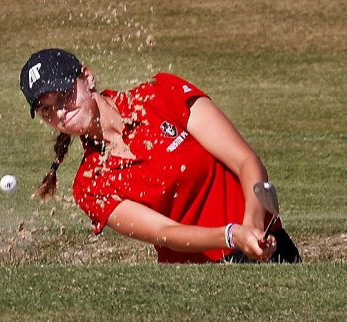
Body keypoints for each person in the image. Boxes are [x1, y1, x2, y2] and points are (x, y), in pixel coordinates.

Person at [19, 48, 301, 264]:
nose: (60, 112)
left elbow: (245, 160)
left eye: (64, 95)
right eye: (46, 110)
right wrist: (232, 235)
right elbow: (165, 232)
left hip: (270, 247)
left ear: (87, 77)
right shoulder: (90, 185)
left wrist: (251, 225)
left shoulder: (161, 94)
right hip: (203, 282)